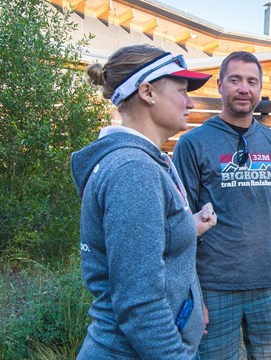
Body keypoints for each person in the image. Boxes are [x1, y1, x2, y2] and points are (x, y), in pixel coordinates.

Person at [71, 44, 217, 359]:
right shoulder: (133, 170)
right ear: (147, 92)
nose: (190, 102)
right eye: (181, 90)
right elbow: (140, 303)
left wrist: (186, 226)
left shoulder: (142, 161)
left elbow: (146, 248)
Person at [172, 51, 271, 359]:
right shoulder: (192, 144)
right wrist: (191, 294)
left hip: (267, 287)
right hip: (213, 289)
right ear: (219, 85)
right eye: (235, 80)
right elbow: (180, 223)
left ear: (260, 88)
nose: (244, 88)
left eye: (252, 81)